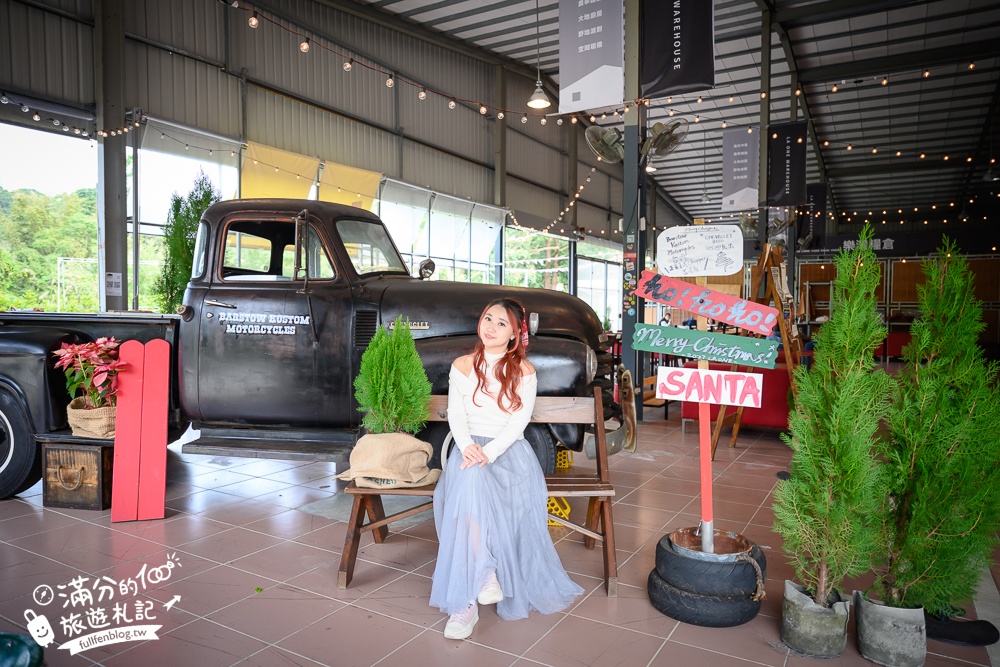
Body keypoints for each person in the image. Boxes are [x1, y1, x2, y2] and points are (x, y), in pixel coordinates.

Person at [429, 297, 584, 640]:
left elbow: (519, 420)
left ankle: (466, 601)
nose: (492, 327)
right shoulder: (463, 365)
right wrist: (468, 446)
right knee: (469, 480)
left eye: (502, 323)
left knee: (471, 489)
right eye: (488, 318)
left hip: (508, 453)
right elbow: (456, 414)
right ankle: (479, 582)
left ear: (515, 334)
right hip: (469, 451)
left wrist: (490, 451)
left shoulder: (524, 371)